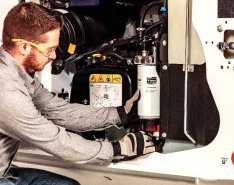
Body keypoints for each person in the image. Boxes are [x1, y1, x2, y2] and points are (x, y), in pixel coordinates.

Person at [0, 2, 157, 185]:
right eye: (49, 50)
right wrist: (117, 149)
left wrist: (119, 114)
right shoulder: (7, 91)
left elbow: (60, 111)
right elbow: (55, 140)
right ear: (24, 47)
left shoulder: (18, 75)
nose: (54, 57)